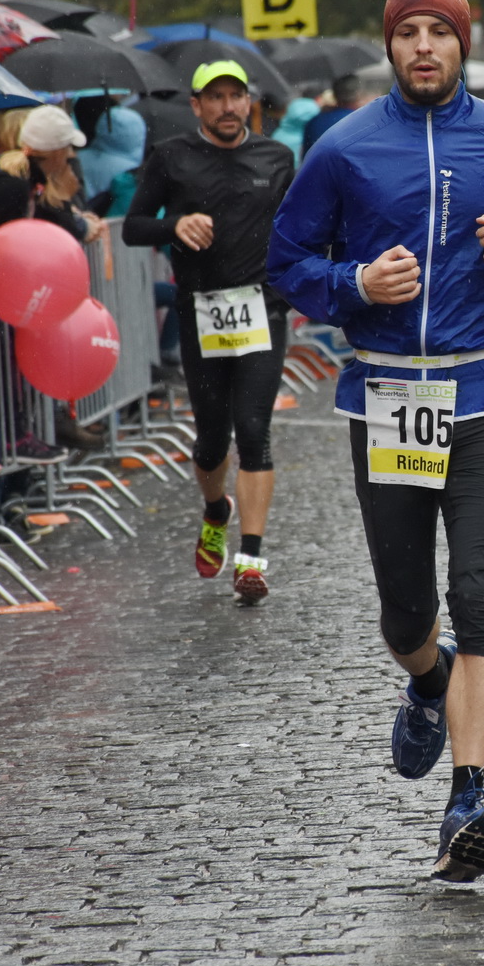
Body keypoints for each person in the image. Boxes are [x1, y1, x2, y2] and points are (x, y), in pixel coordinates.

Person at [265, 0, 484, 881]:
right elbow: (289, 261)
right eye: (406, 31)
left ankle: (469, 796)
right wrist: (354, 288)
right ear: (390, 45)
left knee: (479, 588)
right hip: (388, 398)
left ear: (461, 45)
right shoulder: (343, 147)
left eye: (437, 33)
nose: (421, 47)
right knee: (408, 608)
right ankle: (424, 678)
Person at [124, 60, 296, 605]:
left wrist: (299, 289)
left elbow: (301, 229)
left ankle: (250, 558)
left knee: (254, 430)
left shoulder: (277, 158)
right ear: (195, 106)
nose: (227, 107)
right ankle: (215, 508)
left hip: (261, 312)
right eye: (214, 98)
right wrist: (173, 225)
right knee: (211, 439)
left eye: (235, 96)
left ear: (249, 102)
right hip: (200, 314)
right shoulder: (171, 157)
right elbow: (131, 227)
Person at [0, 106, 105, 245]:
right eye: (68, 148)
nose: (70, 155)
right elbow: (9, 241)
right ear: (58, 152)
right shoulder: (14, 181)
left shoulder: (21, 173)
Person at [303, 74, 366, 155]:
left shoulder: (314, 121)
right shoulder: (362, 122)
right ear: (358, 94)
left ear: (334, 94)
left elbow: (306, 157)